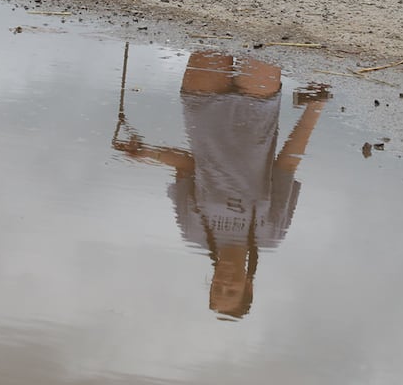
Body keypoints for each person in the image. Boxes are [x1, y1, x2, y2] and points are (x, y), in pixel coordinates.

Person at [113, 50, 330, 318]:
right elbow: (286, 165)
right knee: (263, 37)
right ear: (248, 286)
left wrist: (147, 153)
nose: (224, 284)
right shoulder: (269, 234)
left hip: (201, 106)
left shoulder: (195, 231)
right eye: (231, 291)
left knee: (214, 30)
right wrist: (316, 104)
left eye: (216, 289)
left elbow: (187, 166)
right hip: (257, 110)